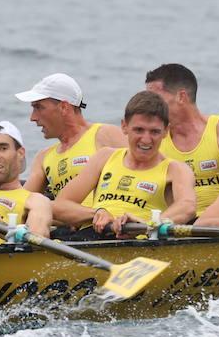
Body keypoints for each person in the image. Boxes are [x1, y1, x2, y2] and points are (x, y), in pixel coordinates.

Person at [53, 90, 197, 237]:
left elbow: (187, 207)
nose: (146, 140)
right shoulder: (105, 157)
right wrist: (97, 213)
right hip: (91, 237)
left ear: (166, 131)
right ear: (124, 126)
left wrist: (146, 225)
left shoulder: (176, 169)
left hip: (139, 241)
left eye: (154, 132)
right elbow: (59, 206)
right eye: (139, 130)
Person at [144, 63, 219, 215]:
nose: (150, 108)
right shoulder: (154, 139)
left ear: (181, 97)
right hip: (177, 224)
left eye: (156, 100)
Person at [16, 73, 125, 206]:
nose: (32, 117)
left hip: (107, 222)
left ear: (64, 107)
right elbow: (21, 206)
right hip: (65, 223)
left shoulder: (105, 134)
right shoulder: (43, 157)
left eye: (38, 107)